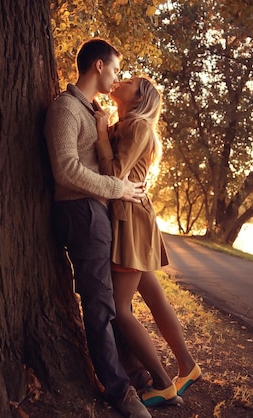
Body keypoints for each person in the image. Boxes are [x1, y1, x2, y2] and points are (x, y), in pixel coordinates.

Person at [44, 38, 151, 418]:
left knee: (110, 299)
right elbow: (65, 169)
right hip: (80, 212)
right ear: (99, 66)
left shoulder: (90, 111)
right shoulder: (65, 109)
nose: (118, 77)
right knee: (100, 302)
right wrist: (117, 187)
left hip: (97, 212)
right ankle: (120, 390)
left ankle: (137, 374)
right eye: (116, 69)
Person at [95, 76, 202, 407]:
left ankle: (162, 382)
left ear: (140, 97)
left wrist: (100, 132)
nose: (121, 80)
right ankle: (187, 365)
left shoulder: (137, 127)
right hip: (134, 218)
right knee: (154, 298)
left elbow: (115, 174)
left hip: (130, 221)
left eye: (129, 81)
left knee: (118, 309)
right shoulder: (125, 124)